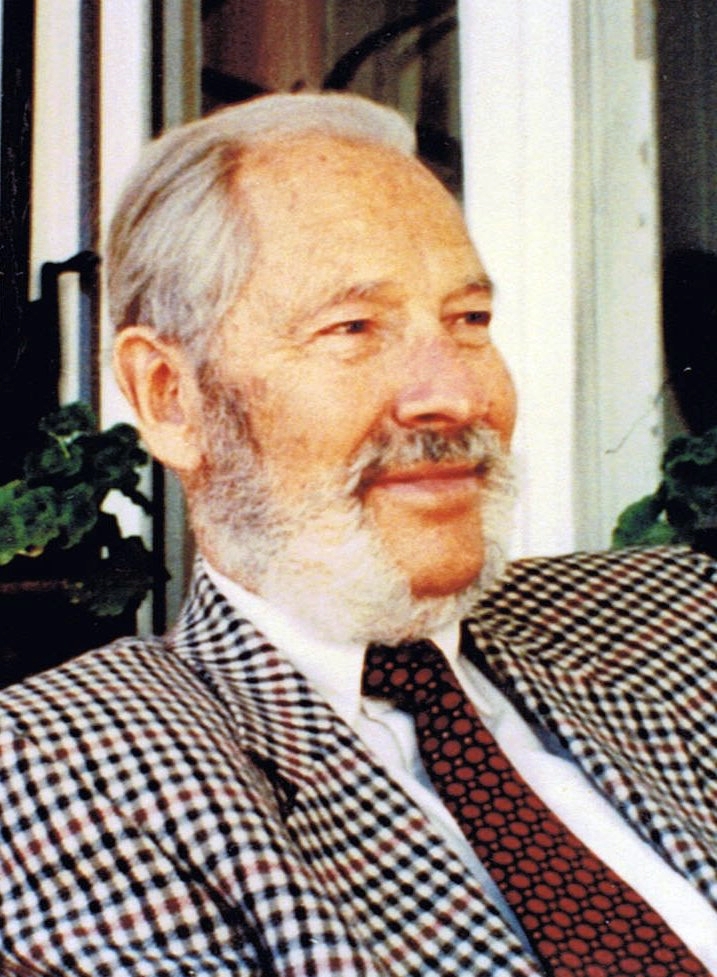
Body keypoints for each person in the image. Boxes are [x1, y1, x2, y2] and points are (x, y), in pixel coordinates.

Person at [0, 91, 716, 977]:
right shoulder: (65, 764)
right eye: (352, 328)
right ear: (170, 397)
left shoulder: (673, 615)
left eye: (468, 320)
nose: (455, 395)